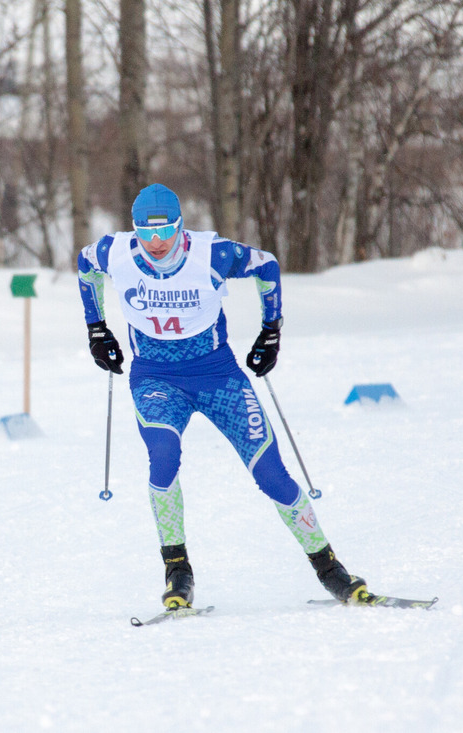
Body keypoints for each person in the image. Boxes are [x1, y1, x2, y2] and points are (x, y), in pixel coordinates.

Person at [77, 182, 367, 609]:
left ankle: (330, 570)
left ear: (180, 226)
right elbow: (85, 267)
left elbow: (266, 265)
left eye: (166, 232)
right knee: (163, 458)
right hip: (156, 379)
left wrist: (271, 331)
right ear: (133, 230)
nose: (156, 243)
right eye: (146, 233)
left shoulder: (210, 254)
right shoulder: (114, 252)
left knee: (272, 475)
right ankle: (177, 569)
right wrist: (96, 328)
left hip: (218, 376)